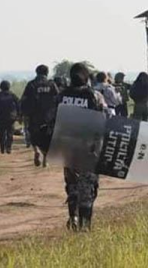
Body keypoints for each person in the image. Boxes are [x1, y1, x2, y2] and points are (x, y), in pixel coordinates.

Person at [56, 63, 105, 231]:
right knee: (88, 188)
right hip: (89, 150)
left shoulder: (62, 96)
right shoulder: (94, 96)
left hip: (67, 148)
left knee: (72, 185)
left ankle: (73, 217)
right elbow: (103, 120)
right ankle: (85, 226)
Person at [20, 65, 59, 167]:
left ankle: (36, 150)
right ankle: (45, 157)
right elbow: (58, 98)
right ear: (47, 73)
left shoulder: (31, 84)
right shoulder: (51, 84)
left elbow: (24, 100)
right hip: (49, 116)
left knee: (34, 135)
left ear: (36, 72)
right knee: (47, 137)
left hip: (34, 115)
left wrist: (23, 113)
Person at [0, 80, 20, 154]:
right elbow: (18, 105)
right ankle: (8, 148)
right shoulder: (13, 95)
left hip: (1, 117)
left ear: (1, 87)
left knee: (2, 134)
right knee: (10, 133)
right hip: (11, 118)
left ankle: (2, 148)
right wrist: (18, 115)